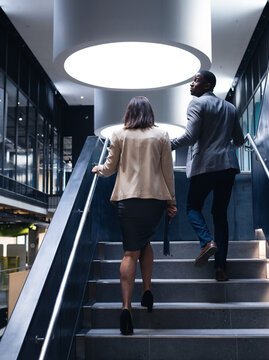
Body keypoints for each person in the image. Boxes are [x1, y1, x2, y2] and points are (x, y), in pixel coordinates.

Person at [92, 96, 177, 335]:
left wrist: (97, 169)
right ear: (150, 113)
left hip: (127, 200)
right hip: (154, 200)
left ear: (129, 112)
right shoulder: (161, 135)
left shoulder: (119, 134)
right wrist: (172, 201)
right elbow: (167, 171)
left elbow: (108, 169)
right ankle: (147, 290)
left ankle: (126, 307)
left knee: (130, 251)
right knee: (145, 241)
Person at [170, 70, 244, 282]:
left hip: (205, 166)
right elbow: (239, 139)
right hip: (228, 166)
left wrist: (167, 145)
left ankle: (207, 242)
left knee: (193, 207)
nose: (191, 84)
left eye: (196, 80)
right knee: (220, 215)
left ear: (207, 85)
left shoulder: (197, 104)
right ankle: (220, 268)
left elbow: (190, 136)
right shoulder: (230, 107)